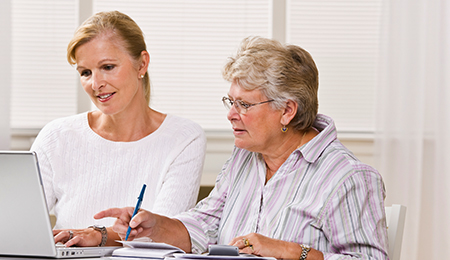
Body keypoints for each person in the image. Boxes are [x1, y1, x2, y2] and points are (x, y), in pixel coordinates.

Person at [96, 36, 389, 259]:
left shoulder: (349, 177)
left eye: (244, 104)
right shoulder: (246, 157)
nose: (231, 114)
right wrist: (156, 226)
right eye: (230, 101)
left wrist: (292, 251)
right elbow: (206, 224)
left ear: (287, 110)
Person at [30, 11, 206, 247]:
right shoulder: (57, 136)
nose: (96, 84)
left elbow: (164, 235)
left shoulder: (184, 138)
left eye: (108, 67)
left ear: (142, 63)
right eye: (85, 72)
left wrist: (100, 236)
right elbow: (21, 223)